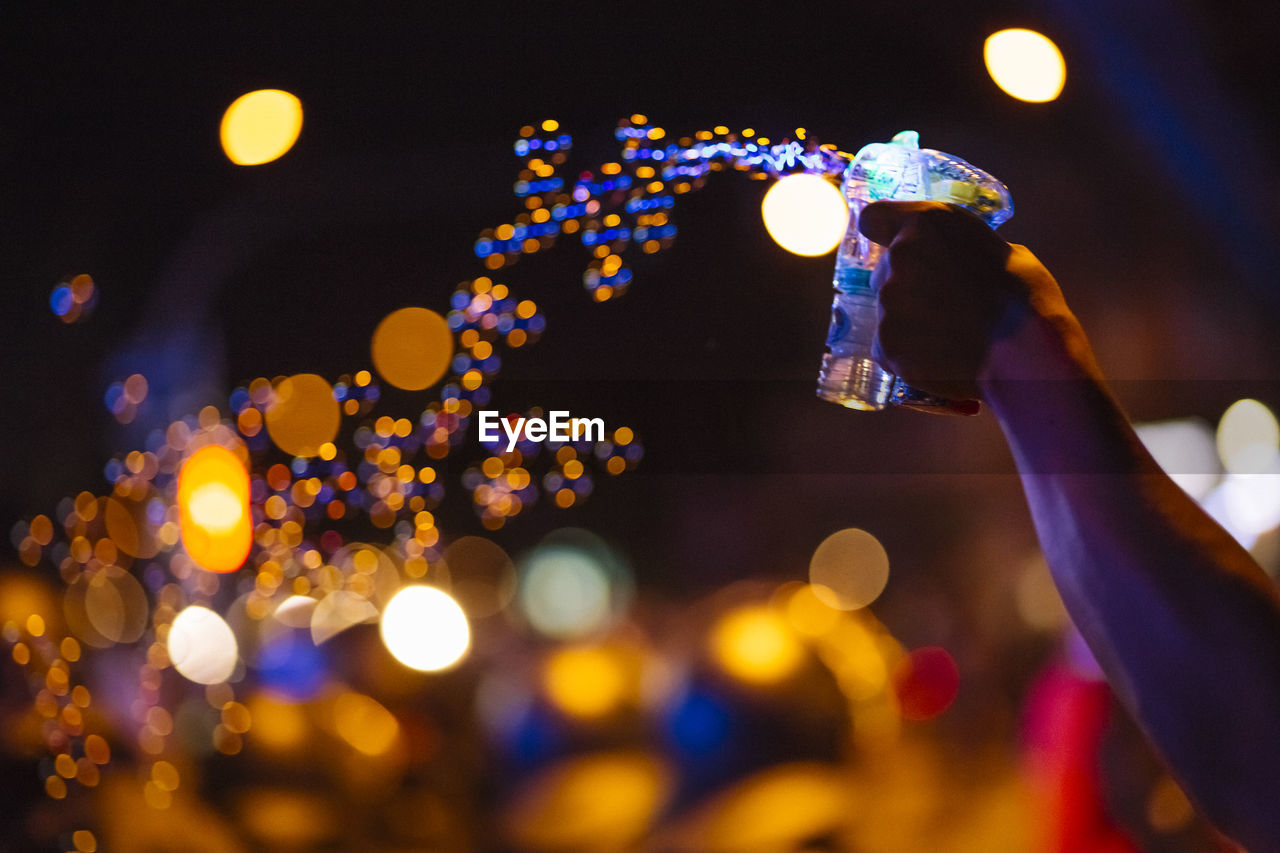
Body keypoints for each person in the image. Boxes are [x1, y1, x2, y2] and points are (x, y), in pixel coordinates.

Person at [859, 200, 1280, 853]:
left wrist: (1027, 360)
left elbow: (1253, 755)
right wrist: (1027, 362)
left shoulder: (1075, 697)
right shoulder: (1072, 697)